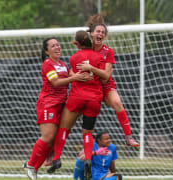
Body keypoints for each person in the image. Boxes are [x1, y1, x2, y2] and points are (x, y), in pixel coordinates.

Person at [23, 37, 91, 180]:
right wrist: (75, 78)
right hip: (48, 104)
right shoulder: (47, 64)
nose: (57, 47)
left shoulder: (62, 64)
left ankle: (36, 166)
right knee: (48, 137)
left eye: (58, 45)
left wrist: (86, 73)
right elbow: (55, 82)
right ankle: (30, 165)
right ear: (47, 51)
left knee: (53, 137)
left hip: (61, 104)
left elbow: (72, 74)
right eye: (53, 46)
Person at [47, 30, 110, 180]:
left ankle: (56, 158)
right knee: (87, 132)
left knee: (64, 128)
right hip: (94, 99)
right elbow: (104, 78)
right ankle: (88, 158)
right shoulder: (100, 57)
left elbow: (74, 75)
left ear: (76, 43)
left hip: (77, 97)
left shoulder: (74, 58)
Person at [77, 14, 139, 147]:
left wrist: (91, 68)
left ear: (105, 36)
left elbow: (105, 76)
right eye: (98, 31)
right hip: (89, 87)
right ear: (92, 33)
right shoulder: (84, 49)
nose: (100, 34)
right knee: (72, 117)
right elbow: (77, 67)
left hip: (105, 86)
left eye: (103, 32)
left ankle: (129, 137)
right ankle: (55, 148)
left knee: (117, 103)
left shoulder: (108, 52)